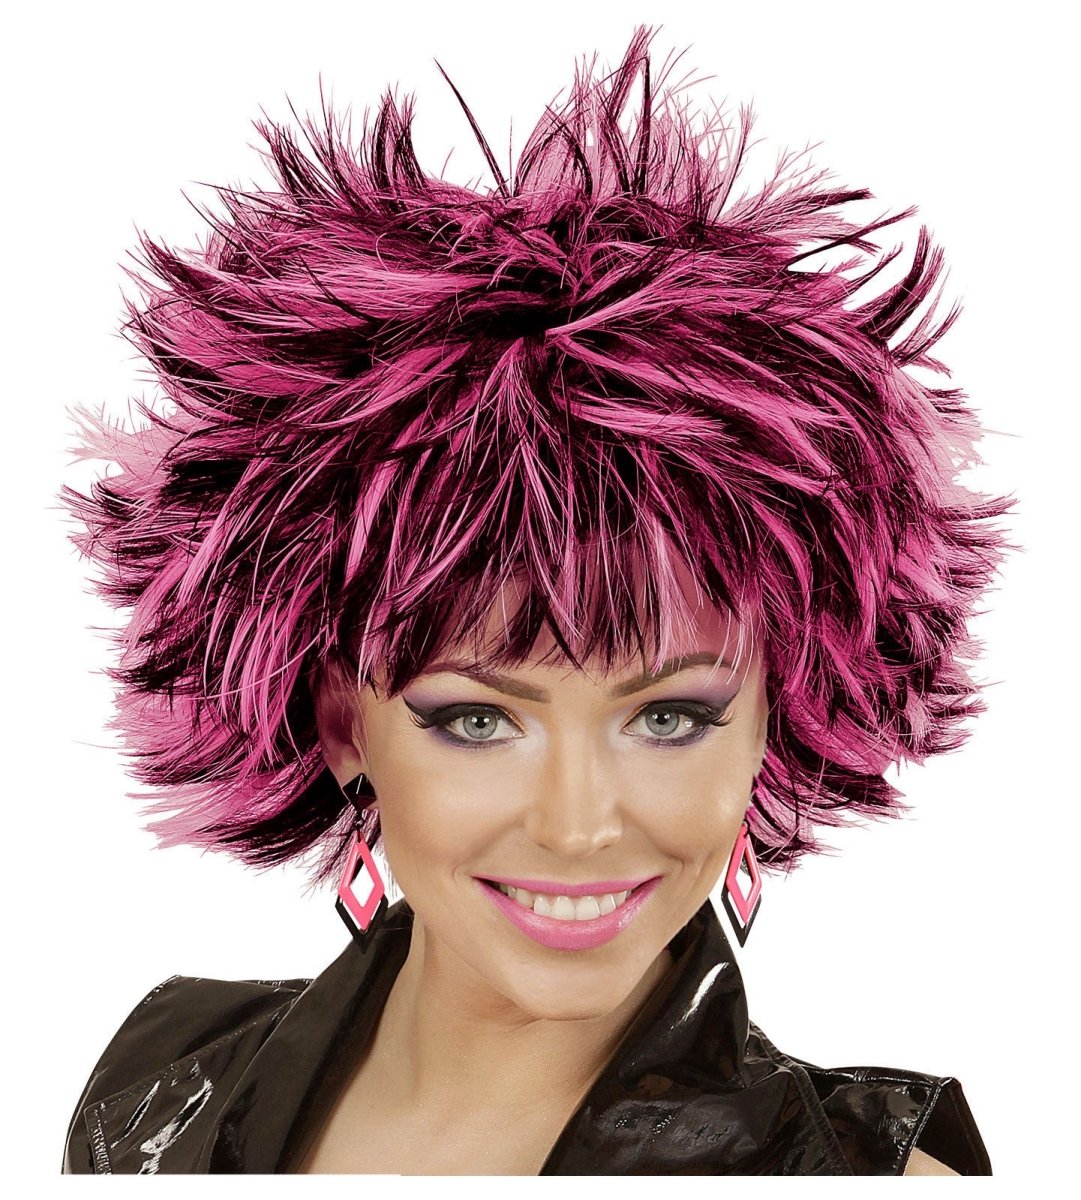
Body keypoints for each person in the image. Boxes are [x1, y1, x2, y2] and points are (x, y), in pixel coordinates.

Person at [57, 25, 1010, 1176]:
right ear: (341, 722)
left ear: (776, 717)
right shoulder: (153, 1091)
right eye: (477, 718)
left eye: (670, 716)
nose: (576, 825)